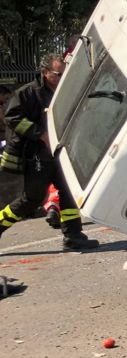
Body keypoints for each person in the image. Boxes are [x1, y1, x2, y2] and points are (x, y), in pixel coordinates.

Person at [0, 53, 98, 249]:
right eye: (58, 74)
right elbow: (12, 118)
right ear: (45, 73)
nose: (63, 78)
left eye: (65, 73)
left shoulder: (66, 91)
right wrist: (40, 133)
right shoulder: (27, 93)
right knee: (32, 199)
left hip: (60, 153)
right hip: (37, 154)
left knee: (69, 191)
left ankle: (73, 235)